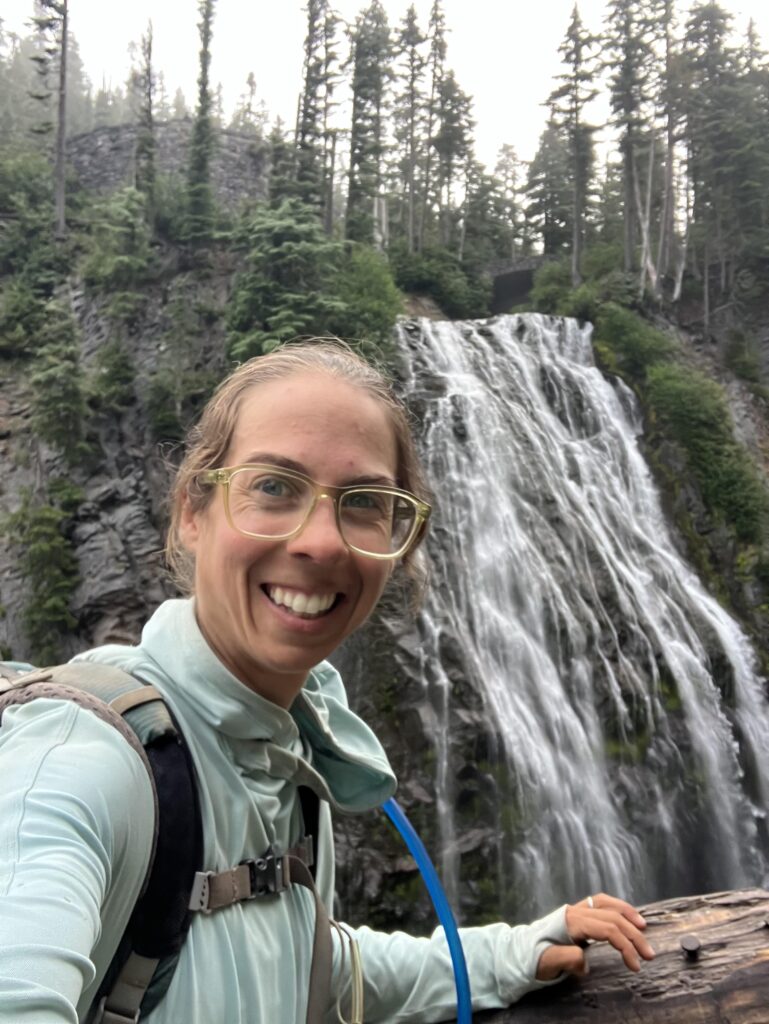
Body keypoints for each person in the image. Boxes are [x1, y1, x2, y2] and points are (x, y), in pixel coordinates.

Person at [0, 340, 654, 1023]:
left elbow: (299, 962)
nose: (321, 542)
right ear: (193, 511)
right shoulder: (78, 758)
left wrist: (508, 954)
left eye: (364, 501)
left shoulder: (287, 754)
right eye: (273, 487)